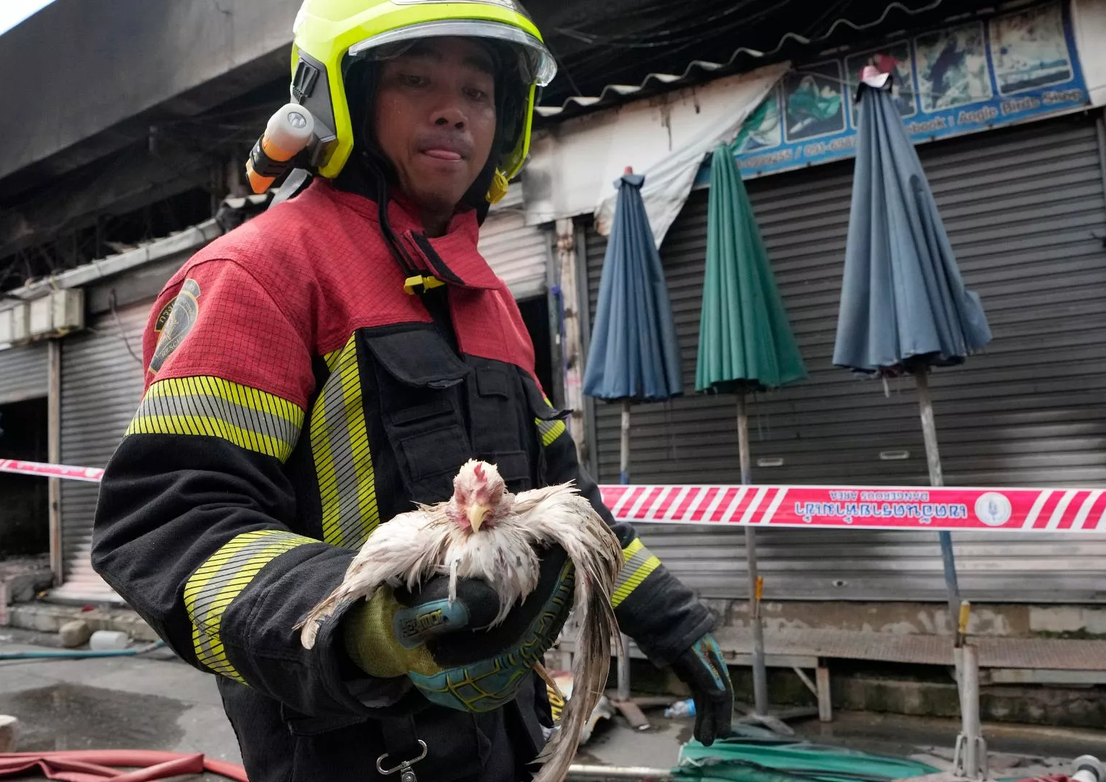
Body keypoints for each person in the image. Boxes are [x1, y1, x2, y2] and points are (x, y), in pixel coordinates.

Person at [91, 1, 732, 780]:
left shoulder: (485, 294)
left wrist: (665, 617)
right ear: (339, 101)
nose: (454, 112)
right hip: (349, 753)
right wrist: (363, 625)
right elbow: (170, 523)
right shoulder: (258, 275)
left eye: (479, 92)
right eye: (417, 79)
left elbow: (561, 496)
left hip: (509, 740)